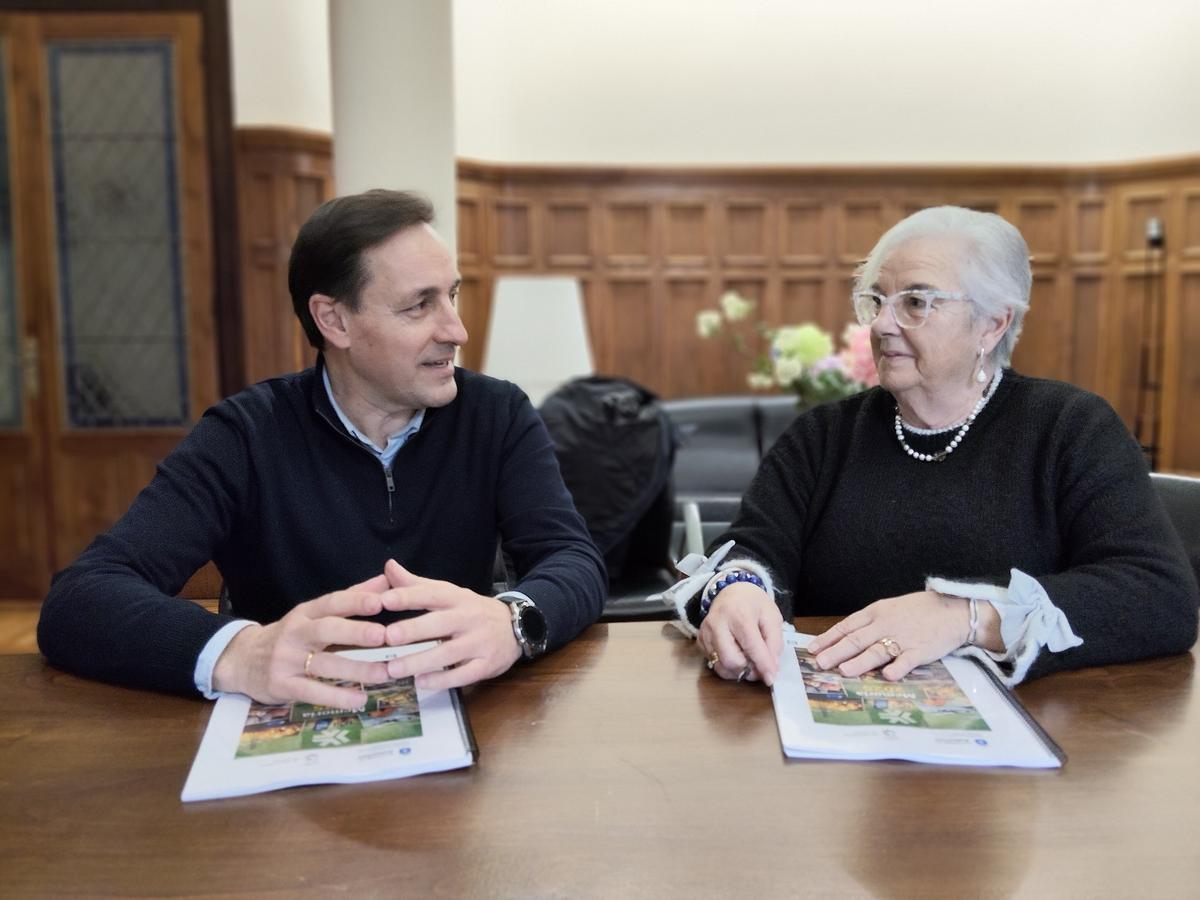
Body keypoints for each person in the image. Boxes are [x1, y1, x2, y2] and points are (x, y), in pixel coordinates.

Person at [38, 189, 607, 709]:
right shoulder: (245, 434)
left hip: (466, 727)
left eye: (452, 295)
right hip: (285, 753)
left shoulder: (497, 414)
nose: (456, 330)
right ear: (333, 319)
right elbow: (81, 600)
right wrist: (240, 653)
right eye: (419, 305)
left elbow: (574, 560)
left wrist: (513, 620)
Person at [669, 205, 1198, 688]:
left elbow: (1159, 597)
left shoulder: (1070, 428)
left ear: (992, 324)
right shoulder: (823, 436)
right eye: (876, 300)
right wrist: (738, 590)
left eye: (916, 302)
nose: (881, 323)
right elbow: (751, 549)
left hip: (1032, 752)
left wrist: (965, 618)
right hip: (835, 746)